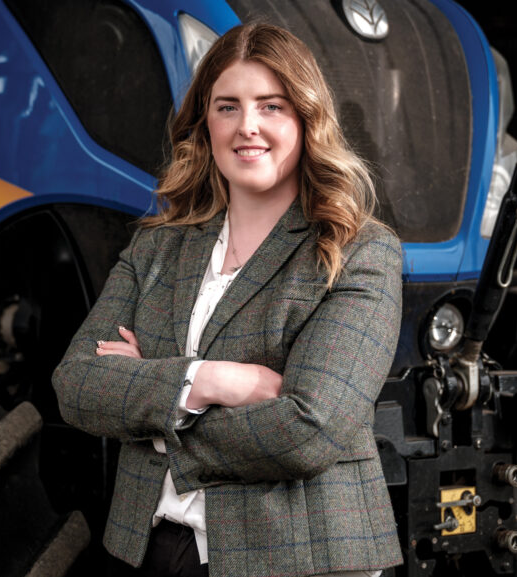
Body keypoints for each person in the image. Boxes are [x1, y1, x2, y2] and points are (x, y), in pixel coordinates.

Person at [52, 22, 403, 577]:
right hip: (150, 547)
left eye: (272, 106)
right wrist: (212, 382)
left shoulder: (357, 251)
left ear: (307, 119)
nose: (248, 127)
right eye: (227, 107)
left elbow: (308, 431)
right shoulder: (160, 246)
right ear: (204, 123)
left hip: (295, 556)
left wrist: (153, 403)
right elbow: (75, 384)